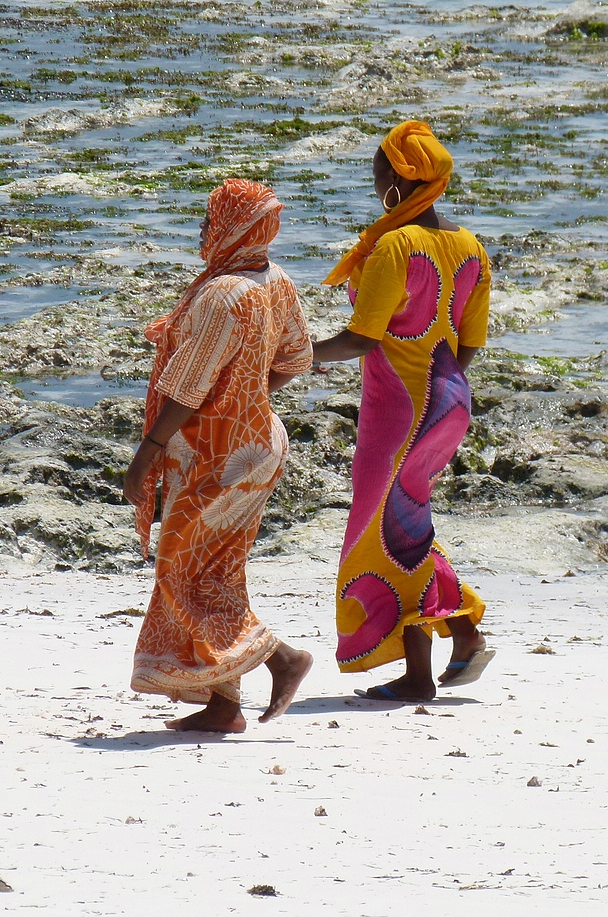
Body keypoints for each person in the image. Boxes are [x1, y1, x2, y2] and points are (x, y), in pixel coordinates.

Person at [123, 178, 315, 733]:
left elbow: (186, 387)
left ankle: (282, 658)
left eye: (210, 220)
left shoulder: (223, 294)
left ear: (233, 226)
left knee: (179, 569)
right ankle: (223, 705)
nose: (203, 230)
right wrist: (249, 395)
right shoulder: (274, 280)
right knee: (219, 572)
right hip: (259, 444)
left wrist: (145, 456)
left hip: (218, 454)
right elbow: (296, 358)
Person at [313, 120, 496, 702]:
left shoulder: (394, 246)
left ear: (397, 180)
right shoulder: (470, 246)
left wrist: (290, 355)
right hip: (450, 401)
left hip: (399, 411)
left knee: (378, 535)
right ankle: (461, 633)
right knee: (406, 528)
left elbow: (362, 340)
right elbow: (469, 344)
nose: (373, 182)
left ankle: (422, 674)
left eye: (376, 172)